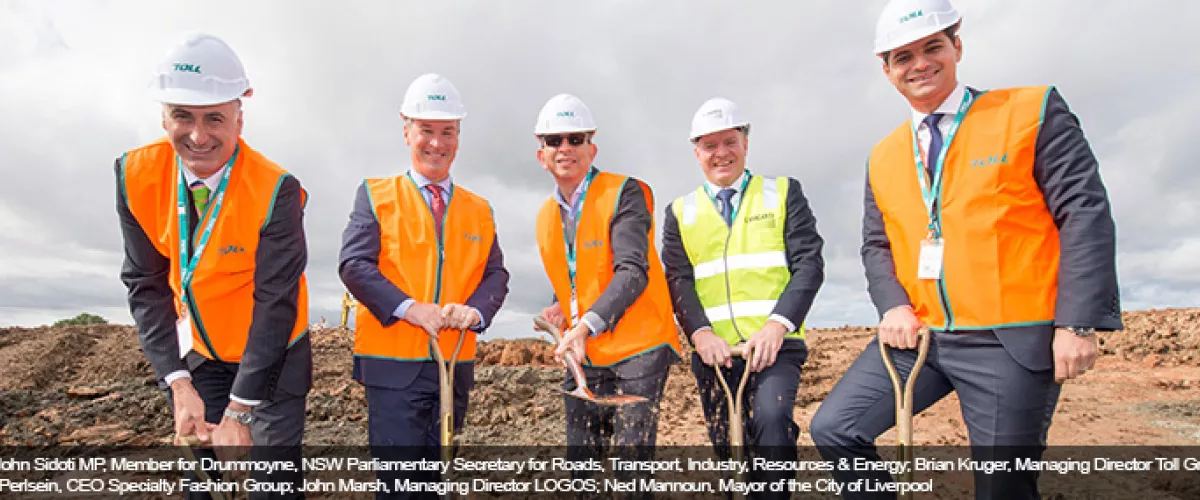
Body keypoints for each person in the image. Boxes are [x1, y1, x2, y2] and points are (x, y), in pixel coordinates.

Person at [809, 1, 1123, 498]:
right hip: (922, 339)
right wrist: (893, 305)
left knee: (1002, 489)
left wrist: (1077, 322)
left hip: (1011, 339)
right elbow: (876, 243)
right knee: (835, 428)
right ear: (887, 71)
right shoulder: (884, 154)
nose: (920, 64)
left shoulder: (1030, 112)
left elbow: (1084, 214)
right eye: (903, 56)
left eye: (932, 47)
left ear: (957, 46)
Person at [116, 32, 310, 499]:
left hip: (272, 357)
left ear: (239, 119)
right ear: (163, 115)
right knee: (202, 485)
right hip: (198, 355)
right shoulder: (135, 176)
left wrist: (240, 412)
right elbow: (146, 285)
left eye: (215, 118)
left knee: (272, 487)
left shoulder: (276, 190)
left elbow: (275, 302)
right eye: (183, 116)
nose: (198, 135)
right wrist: (177, 382)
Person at [338, 73, 509, 498]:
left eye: (447, 132)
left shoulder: (479, 209)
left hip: (453, 364)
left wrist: (475, 311)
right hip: (392, 364)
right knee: (400, 487)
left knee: (438, 482)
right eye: (426, 131)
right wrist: (411, 309)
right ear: (406, 131)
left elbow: (497, 275)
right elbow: (354, 264)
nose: (436, 143)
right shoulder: (376, 194)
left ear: (459, 136)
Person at [661, 97, 825, 497]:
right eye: (710, 145)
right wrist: (700, 334)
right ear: (696, 152)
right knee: (730, 450)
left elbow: (809, 264)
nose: (721, 153)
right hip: (714, 354)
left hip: (774, 347)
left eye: (729, 141)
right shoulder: (680, 211)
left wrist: (776, 326)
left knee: (771, 422)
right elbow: (678, 280)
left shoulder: (783, 193)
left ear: (745, 143)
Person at [531, 93, 681, 497]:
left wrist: (583, 325)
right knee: (581, 466)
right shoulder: (547, 216)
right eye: (554, 140)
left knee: (631, 468)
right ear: (541, 154)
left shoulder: (625, 193)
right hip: (588, 350)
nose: (565, 148)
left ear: (591, 147)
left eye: (575, 138)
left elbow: (631, 270)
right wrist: (563, 308)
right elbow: (579, 273)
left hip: (640, 346)